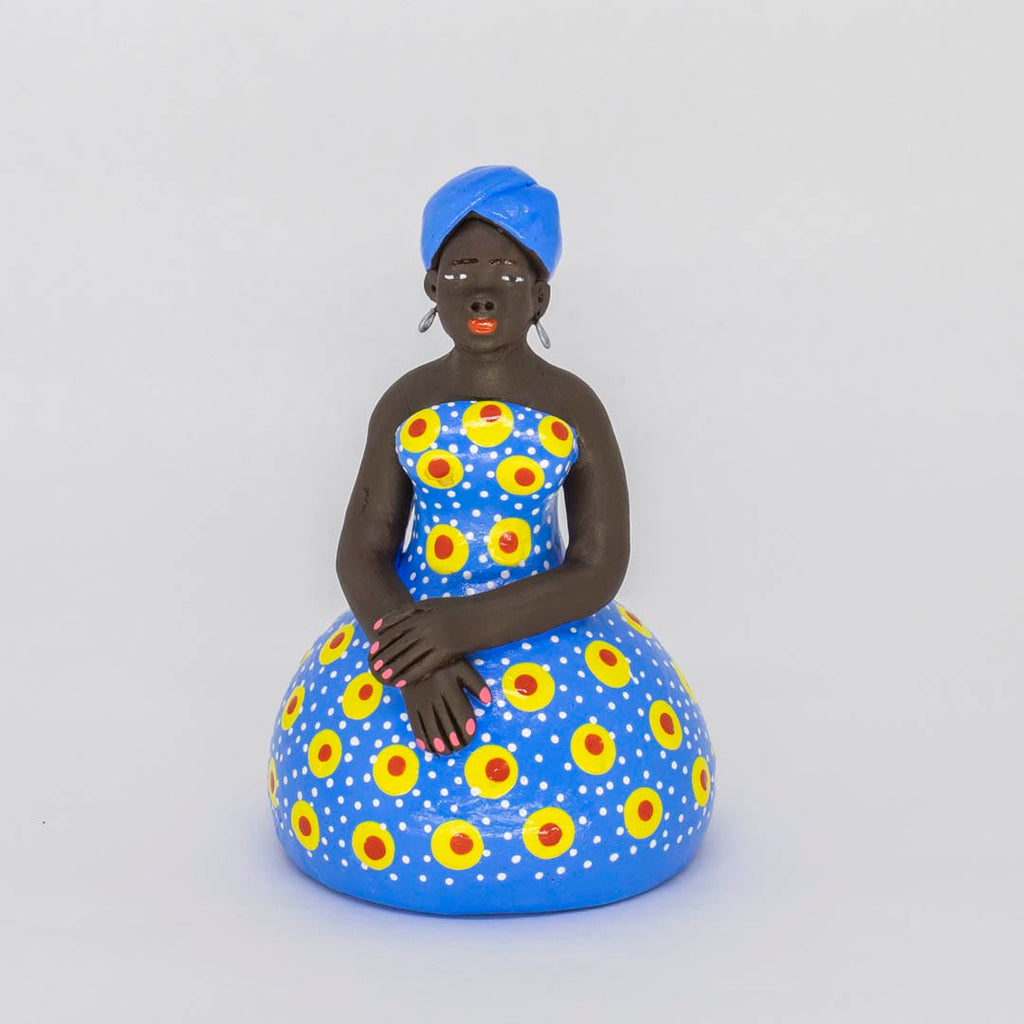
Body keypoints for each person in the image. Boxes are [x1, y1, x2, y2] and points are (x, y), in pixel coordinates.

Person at [267, 166, 715, 914]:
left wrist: (457, 629)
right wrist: (411, 658)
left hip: (550, 620)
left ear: (540, 295)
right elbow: (361, 553)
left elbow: (599, 565)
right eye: (460, 271)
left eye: (508, 272)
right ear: (430, 288)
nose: (482, 292)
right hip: (405, 622)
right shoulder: (406, 403)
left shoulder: (573, 406)